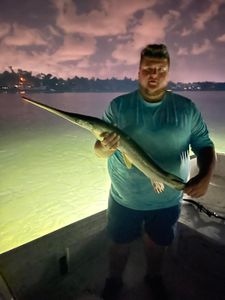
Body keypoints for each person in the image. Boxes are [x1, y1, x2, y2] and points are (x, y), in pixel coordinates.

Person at [94, 44, 216, 299]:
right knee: (119, 244)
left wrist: (204, 177)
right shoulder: (118, 106)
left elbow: (204, 144)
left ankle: (153, 277)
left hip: (168, 198)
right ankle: (114, 280)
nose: (154, 74)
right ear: (138, 71)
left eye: (160, 69)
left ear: (168, 72)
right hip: (124, 198)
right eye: (148, 68)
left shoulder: (186, 108)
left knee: (157, 243)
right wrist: (105, 147)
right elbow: (98, 150)